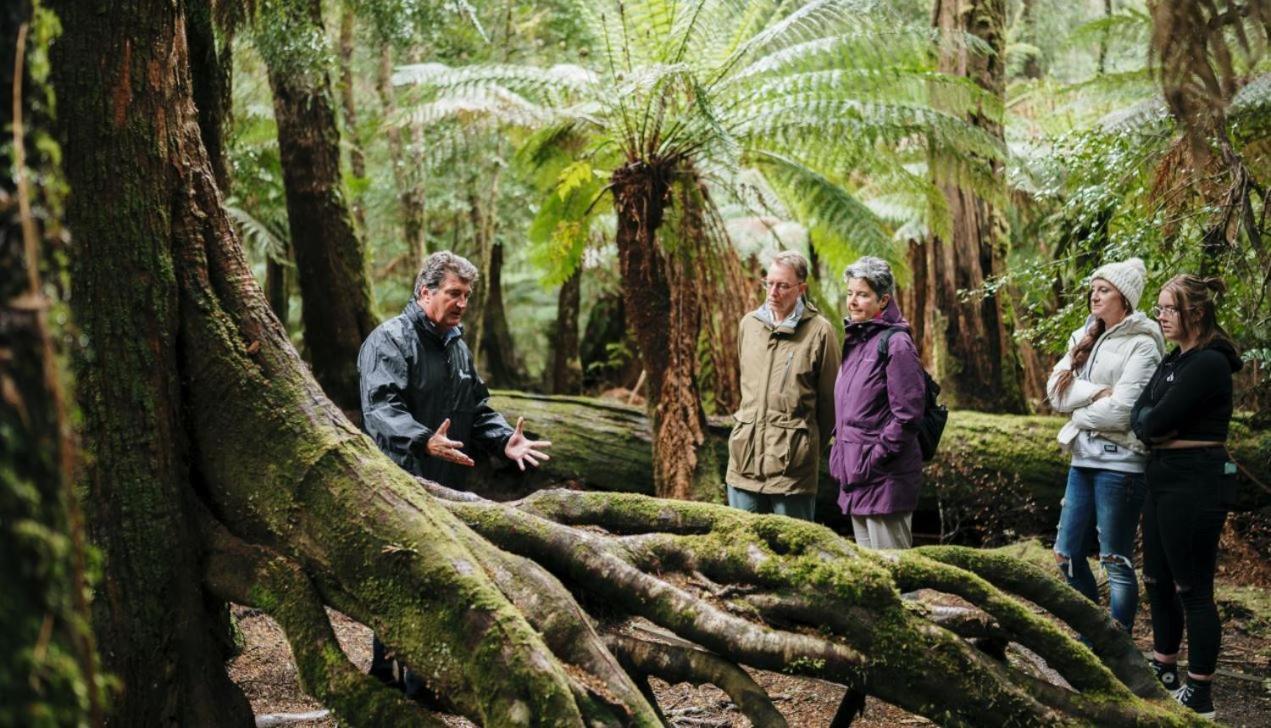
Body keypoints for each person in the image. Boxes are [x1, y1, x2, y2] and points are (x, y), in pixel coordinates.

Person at [357, 250, 551, 695]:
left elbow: (477, 408)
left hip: (449, 491)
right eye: (453, 293)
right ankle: (386, 684)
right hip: (400, 484)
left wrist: (505, 440)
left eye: (466, 295)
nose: (461, 303)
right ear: (425, 292)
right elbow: (380, 408)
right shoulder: (389, 341)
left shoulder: (457, 347)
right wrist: (423, 437)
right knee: (401, 584)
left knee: (442, 584)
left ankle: (426, 686)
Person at [1132, 275, 1242, 721]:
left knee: (1192, 587)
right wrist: (1153, 423)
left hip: (1196, 480)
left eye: (1168, 309)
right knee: (1156, 579)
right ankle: (1165, 667)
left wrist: (1155, 423)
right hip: (1161, 475)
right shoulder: (1175, 360)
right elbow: (1141, 416)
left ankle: (1201, 692)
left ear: (1194, 313)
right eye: (1159, 308)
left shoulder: (1209, 364)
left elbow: (1155, 421)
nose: (1160, 316)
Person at [1046, 257, 1163, 634]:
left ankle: (1119, 646)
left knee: (1114, 560)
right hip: (1082, 460)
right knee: (1066, 555)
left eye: (1104, 290)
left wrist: (1079, 417)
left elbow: (1124, 412)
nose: (1094, 296)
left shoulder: (1144, 346)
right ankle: (1091, 634)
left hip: (1122, 465)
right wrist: (1097, 392)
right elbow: (1055, 393)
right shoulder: (1086, 335)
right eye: (1093, 289)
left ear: (1124, 299)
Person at [725, 251, 840, 521]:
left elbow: (830, 404)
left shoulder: (820, 332)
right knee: (742, 549)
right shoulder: (749, 325)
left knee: (794, 553)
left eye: (783, 285)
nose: (773, 292)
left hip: (792, 470)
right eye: (769, 283)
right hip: (744, 462)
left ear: (801, 289)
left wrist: (805, 444)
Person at [830, 256, 924, 549]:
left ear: (883, 300)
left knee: (895, 572)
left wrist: (876, 456)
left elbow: (908, 415)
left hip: (885, 478)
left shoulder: (896, 343)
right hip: (857, 475)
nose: (853, 301)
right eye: (850, 293)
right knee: (872, 575)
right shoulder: (858, 341)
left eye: (862, 294)